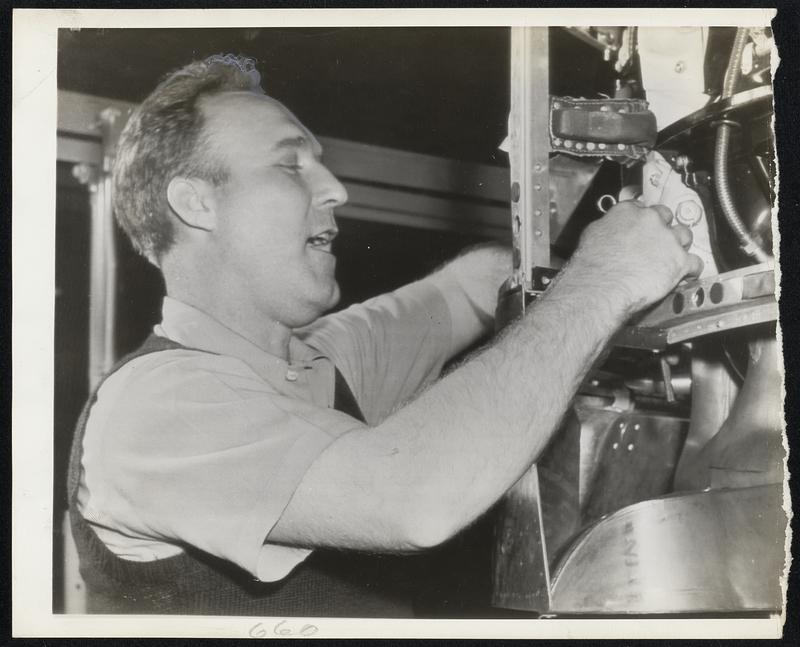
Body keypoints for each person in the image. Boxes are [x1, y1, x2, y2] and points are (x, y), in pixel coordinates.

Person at [68, 54, 702, 616]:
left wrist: (588, 250)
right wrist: (603, 281)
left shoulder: (318, 358)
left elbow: (469, 287)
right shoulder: (154, 409)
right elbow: (415, 500)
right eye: (290, 166)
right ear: (195, 203)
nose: (335, 189)